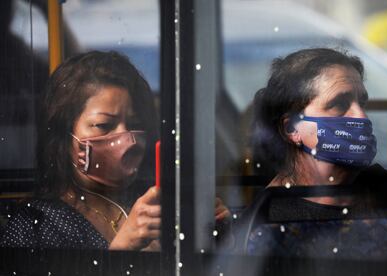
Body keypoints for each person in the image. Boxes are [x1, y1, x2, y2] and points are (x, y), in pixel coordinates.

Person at [0, 51, 230, 250]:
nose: (126, 139)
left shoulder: (157, 204)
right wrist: (122, 251)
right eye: (104, 125)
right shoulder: (34, 224)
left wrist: (217, 235)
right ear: (63, 133)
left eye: (135, 124)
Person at [241, 48, 387, 260]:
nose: (361, 116)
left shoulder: (386, 187)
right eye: (339, 104)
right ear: (293, 129)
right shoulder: (268, 216)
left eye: (362, 103)